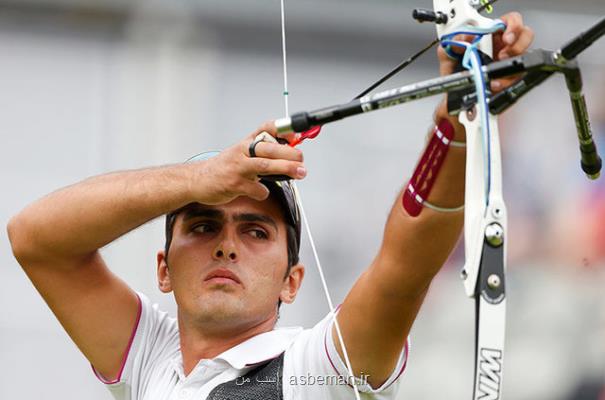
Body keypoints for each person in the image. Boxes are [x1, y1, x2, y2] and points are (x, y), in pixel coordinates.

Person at [7, 12, 533, 400]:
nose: (227, 247)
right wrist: (198, 178)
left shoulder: (314, 370)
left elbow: (406, 261)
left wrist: (459, 118)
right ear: (163, 270)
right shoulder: (153, 360)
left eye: (257, 232)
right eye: (203, 225)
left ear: (292, 281)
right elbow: (36, 238)